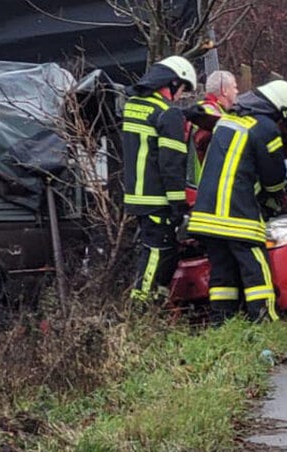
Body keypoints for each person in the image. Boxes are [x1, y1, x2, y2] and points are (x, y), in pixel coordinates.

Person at [187, 80, 287, 324]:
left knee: (222, 271)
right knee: (255, 266)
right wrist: (277, 197)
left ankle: (221, 323)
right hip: (236, 213)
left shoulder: (228, 120)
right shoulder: (266, 127)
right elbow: (273, 176)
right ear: (280, 109)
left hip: (206, 214)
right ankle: (264, 319)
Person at [121, 55, 196, 303]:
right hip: (157, 199)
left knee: (165, 253)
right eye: (183, 89)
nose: (181, 95)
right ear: (172, 83)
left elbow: (152, 122)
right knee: (158, 252)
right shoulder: (168, 115)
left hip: (136, 195)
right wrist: (178, 206)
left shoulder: (133, 105)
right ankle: (140, 308)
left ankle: (157, 303)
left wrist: (184, 113)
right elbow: (171, 164)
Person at [187, 70, 239, 180]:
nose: (237, 91)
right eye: (234, 87)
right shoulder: (207, 112)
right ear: (224, 91)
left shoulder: (206, 109)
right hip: (203, 182)